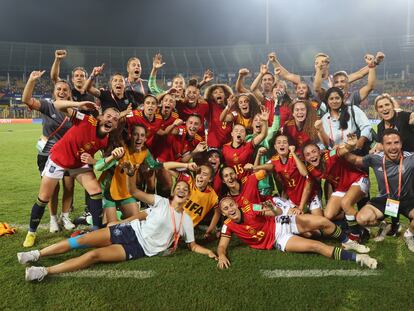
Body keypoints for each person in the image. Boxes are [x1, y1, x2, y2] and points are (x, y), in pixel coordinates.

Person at [18, 171, 217, 282]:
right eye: (179, 188)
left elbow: (192, 246)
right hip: (130, 230)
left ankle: (44, 271)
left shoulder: (187, 221)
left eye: (185, 189)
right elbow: (135, 196)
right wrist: (121, 220)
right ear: (174, 192)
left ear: (189, 195)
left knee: (93, 256)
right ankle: (36, 254)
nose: (182, 190)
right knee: (82, 240)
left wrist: (209, 252)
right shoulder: (160, 201)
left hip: (138, 248)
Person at [22, 100, 120, 247]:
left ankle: (96, 230)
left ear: (116, 125)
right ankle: (31, 232)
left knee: (95, 191)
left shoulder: (106, 140)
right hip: (58, 160)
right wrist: (79, 104)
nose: (111, 120)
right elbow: (57, 106)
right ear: (101, 117)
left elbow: (102, 163)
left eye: (115, 119)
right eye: (108, 116)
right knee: (44, 198)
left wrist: (93, 161)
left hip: (79, 164)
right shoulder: (87, 121)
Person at [216, 197, 377, 270]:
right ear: (223, 213)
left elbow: (275, 212)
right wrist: (222, 255)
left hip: (281, 222)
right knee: (316, 246)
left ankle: (348, 241)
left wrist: (272, 209)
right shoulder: (227, 225)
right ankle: (359, 258)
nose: (230, 209)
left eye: (231, 205)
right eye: (226, 209)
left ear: (236, 204)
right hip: (278, 239)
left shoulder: (250, 208)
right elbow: (222, 246)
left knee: (322, 221)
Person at [22, 70, 75, 233]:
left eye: (65, 90)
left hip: (67, 155)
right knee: (53, 188)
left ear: (69, 93)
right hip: (47, 154)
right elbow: (26, 100)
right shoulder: (47, 105)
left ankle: (65, 216)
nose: (61, 92)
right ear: (54, 92)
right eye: (58, 89)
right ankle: (53, 219)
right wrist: (32, 80)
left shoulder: (73, 111)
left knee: (69, 186)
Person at [344, 129, 414, 252]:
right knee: (361, 218)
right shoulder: (375, 158)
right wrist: (348, 147)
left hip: (407, 200)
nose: (393, 147)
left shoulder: (411, 158)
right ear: (382, 145)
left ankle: (409, 234)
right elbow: (355, 160)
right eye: (388, 143)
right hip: (386, 200)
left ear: (401, 144)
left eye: (396, 142)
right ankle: (384, 226)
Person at [302, 137, 370, 252]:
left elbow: (343, 150)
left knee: (345, 203)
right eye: (308, 154)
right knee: (328, 215)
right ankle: (359, 220)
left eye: (314, 152)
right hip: (342, 188)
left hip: (358, 180)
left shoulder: (329, 156)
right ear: (305, 158)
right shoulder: (311, 167)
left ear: (320, 152)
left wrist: (349, 145)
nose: (312, 156)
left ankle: (356, 234)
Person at [255, 134, 323, 215]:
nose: (282, 144)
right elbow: (255, 170)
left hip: (310, 196)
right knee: (300, 222)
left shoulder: (296, 156)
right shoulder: (274, 160)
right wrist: (258, 155)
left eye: (285, 142)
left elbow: (304, 173)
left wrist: (293, 153)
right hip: (293, 199)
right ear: (275, 146)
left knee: (319, 221)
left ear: (289, 146)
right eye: (279, 143)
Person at [317, 87, 372, 151]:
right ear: (327, 101)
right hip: (338, 156)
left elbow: (367, 127)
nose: (334, 101)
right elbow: (327, 143)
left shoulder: (352, 110)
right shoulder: (324, 119)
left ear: (342, 99)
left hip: (355, 152)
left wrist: (360, 141)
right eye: (331, 99)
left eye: (337, 98)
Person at [221, 108, 269, 180]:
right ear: (232, 134)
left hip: (247, 182)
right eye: (236, 130)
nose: (239, 132)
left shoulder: (248, 146)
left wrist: (265, 121)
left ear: (245, 135)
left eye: (242, 131)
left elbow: (263, 135)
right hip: (233, 183)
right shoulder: (225, 148)